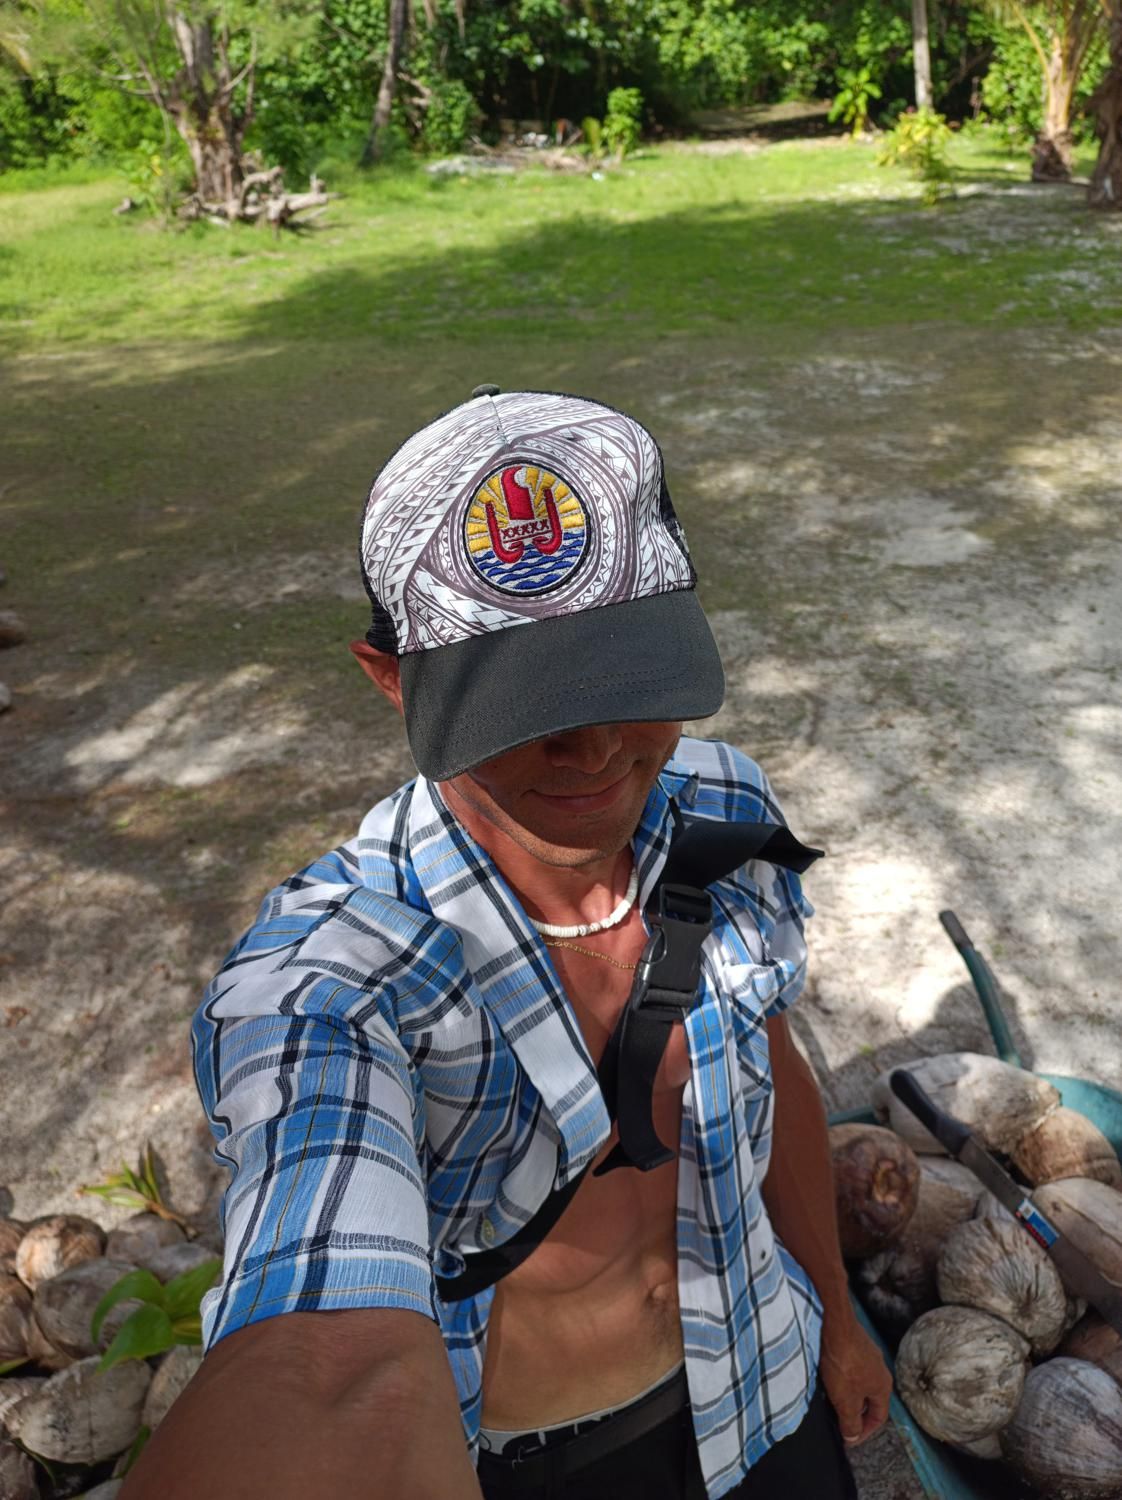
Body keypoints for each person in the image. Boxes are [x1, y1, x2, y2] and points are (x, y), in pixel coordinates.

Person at [122, 388, 891, 1500]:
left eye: (627, 680)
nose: (594, 749)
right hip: (543, 1462)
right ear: (392, 680)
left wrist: (837, 1313)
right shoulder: (337, 977)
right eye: (524, 705)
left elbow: (767, 1056)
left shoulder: (721, 804)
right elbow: (328, 1369)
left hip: (763, 1380)